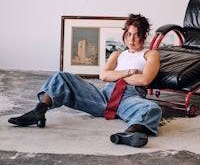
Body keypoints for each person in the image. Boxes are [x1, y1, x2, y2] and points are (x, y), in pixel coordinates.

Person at [8, 14, 162, 148]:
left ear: (144, 36)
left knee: (152, 109)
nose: (131, 39)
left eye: (136, 35)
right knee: (61, 77)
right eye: (128, 34)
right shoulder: (117, 54)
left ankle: (130, 134)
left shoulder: (150, 55)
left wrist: (116, 75)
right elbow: (104, 76)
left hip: (129, 98)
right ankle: (38, 112)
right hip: (105, 97)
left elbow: (144, 79)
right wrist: (129, 72)